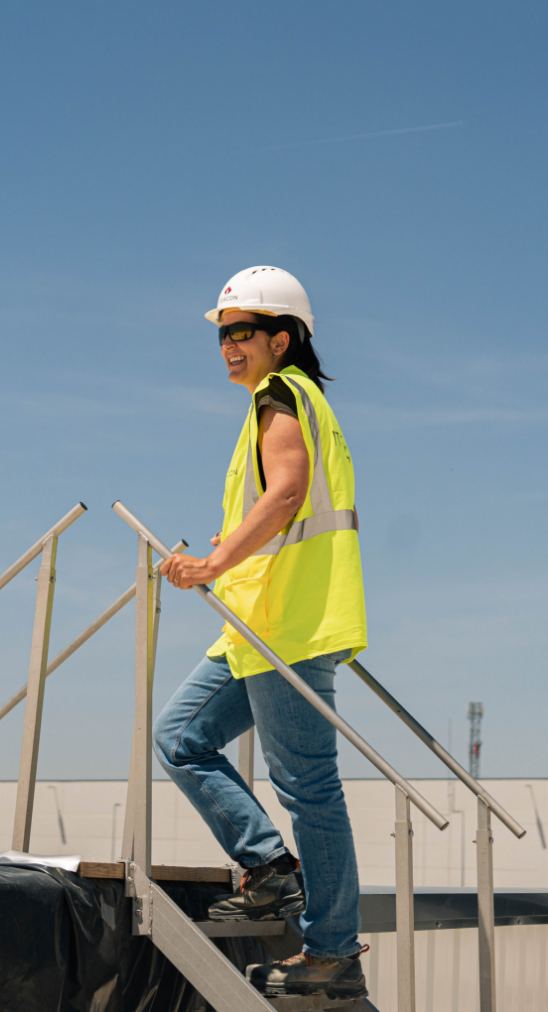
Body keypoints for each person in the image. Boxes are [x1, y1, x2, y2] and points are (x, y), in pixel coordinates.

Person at [155, 266, 369, 998]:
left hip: (291, 626)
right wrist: (221, 565)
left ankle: (333, 950)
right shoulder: (275, 405)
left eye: (241, 332)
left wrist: (213, 560)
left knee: (309, 787)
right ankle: (273, 872)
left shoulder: (284, 396)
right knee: (180, 736)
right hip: (255, 627)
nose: (228, 346)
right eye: (222, 335)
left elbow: (287, 492)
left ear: (282, 339)